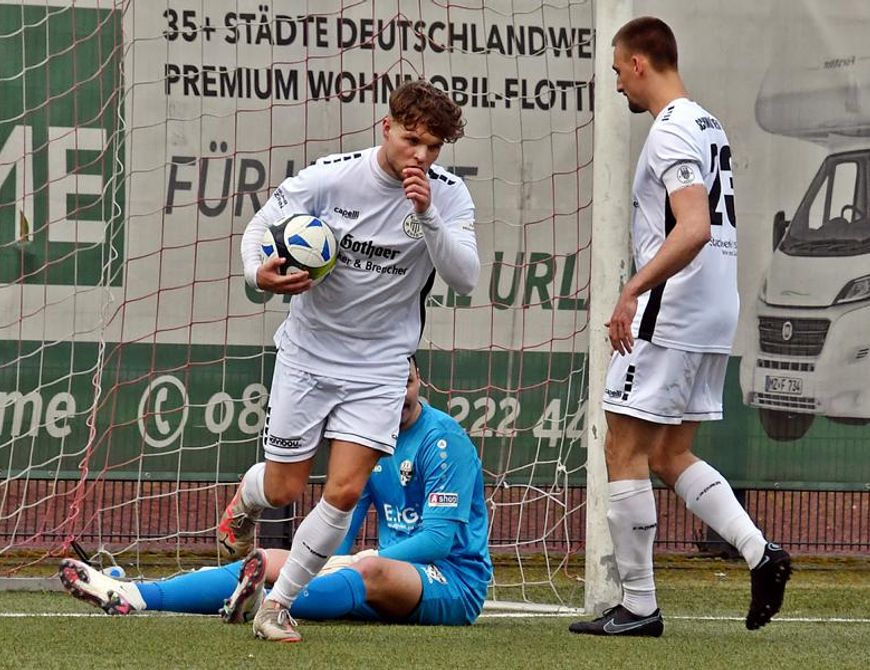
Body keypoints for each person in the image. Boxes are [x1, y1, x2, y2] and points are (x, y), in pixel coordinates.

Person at [219, 78, 479, 641]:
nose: (422, 156)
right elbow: (262, 226)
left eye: (434, 148)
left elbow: (465, 278)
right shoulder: (331, 176)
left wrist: (428, 215)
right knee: (285, 489)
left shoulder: (448, 194)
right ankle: (247, 498)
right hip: (309, 354)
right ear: (386, 128)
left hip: (381, 366)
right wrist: (255, 271)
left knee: (342, 490)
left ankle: (278, 606)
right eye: (412, 140)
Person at [569, 17, 791, 638]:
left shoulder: (668, 131)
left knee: (622, 447)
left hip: (672, 308)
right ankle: (760, 552)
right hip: (715, 307)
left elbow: (691, 227)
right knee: (668, 451)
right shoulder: (707, 122)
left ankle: (638, 606)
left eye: (617, 71)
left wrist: (632, 289)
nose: (617, 85)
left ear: (640, 63)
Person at [59, 358, 493, 630]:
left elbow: (439, 540)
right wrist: (324, 563)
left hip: (450, 580)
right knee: (266, 560)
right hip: (383, 570)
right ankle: (134, 595)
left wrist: (355, 560)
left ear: (421, 382)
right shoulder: (367, 438)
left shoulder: (443, 441)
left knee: (369, 570)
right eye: (390, 384)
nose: (400, 393)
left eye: (409, 382)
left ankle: (267, 602)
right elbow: (342, 526)